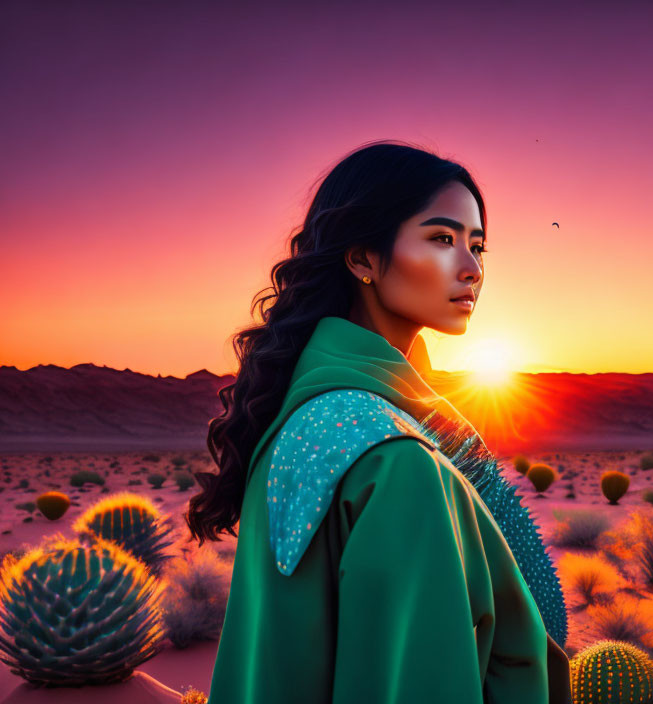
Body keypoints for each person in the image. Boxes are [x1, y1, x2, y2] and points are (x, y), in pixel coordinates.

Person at [186, 140, 572, 703]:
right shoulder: (397, 461)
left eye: (478, 245)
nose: (471, 269)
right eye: (442, 239)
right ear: (363, 258)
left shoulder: (309, 417)